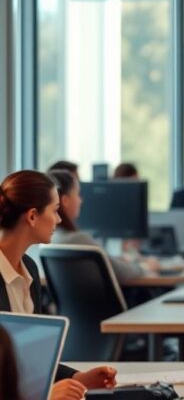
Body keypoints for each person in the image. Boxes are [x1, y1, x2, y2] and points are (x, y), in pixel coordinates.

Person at [0, 170, 118, 395]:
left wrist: (78, 378)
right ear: (32, 216)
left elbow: (29, 357)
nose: (60, 219)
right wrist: (46, 396)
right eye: (55, 211)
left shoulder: (28, 269)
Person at [48, 169, 159, 282]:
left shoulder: (51, 239)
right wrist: (145, 267)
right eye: (78, 195)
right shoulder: (77, 239)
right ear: (65, 200)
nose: (80, 201)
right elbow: (120, 272)